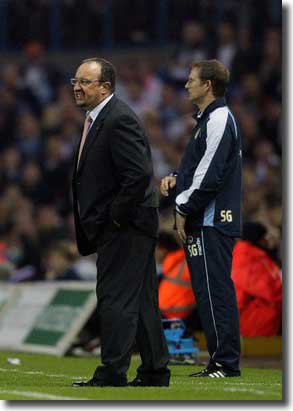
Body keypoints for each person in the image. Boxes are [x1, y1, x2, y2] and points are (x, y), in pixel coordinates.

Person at [71, 57, 170, 387]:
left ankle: (112, 373)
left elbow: (139, 174)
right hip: (130, 224)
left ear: (105, 87)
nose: (77, 86)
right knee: (141, 300)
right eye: (76, 80)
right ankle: (155, 371)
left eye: (85, 81)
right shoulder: (101, 118)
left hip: (126, 226)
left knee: (114, 297)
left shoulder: (118, 119)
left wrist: (114, 218)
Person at [160, 59, 242, 378]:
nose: (186, 85)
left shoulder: (219, 118)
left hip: (211, 221)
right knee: (208, 292)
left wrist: (181, 206)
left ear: (208, 85)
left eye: (191, 80)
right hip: (203, 219)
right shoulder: (208, 120)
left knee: (216, 290)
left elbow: (210, 177)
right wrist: (177, 178)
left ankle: (225, 362)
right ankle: (219, 360)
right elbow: (200, 171)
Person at [232, 222, 282, 336]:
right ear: (257, 239)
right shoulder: (247, 258)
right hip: (251, 320)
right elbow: (271, 291)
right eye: (264, 237)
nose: (267, 241)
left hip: (251, 316)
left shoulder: (248, 255)